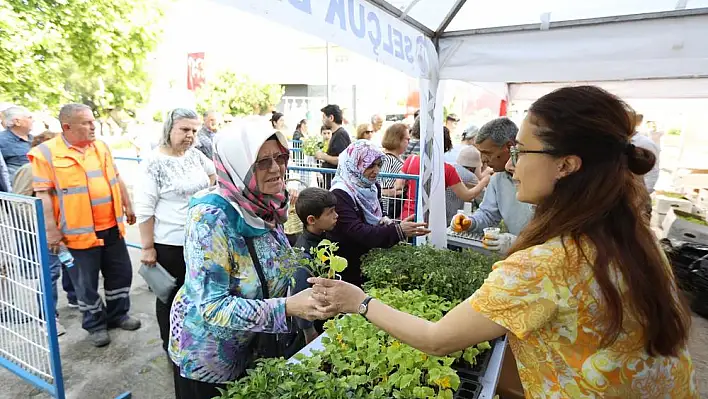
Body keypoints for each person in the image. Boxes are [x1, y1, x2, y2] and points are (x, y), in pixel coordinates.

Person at [310, 86, 697, 399]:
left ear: (566, 165)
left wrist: (357, 301)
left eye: (520, 151)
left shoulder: (547, 262)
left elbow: (437, 339)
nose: (509, 165)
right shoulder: (633, 236)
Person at [168, 118, 321, 399]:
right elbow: (212, 308)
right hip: (209, 356)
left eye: (280, 157)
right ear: (238, 165)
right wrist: (287, 307)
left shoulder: (266, 203)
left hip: (250, 344)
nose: (276, 168)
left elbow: (274, 263)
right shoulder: (211, 219)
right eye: (262, 162)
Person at [28, 103, 140, 347]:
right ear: (67, 126)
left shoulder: (100, 147)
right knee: (85, 284)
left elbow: (116, 177)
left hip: (111, 227)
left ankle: (119, 314)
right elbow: (43, 194)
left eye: (93, 121)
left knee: (120, 274)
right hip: (77, 235)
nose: (93, 126)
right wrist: (51, 230)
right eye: (86, 123)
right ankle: (95, 325)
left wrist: (128, 205)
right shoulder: (45, 154)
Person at [133, 108, 216, 353]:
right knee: (171, 297)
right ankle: (171, 345)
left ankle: (195, 343)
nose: (190, 135)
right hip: (171, 244)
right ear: (169, 129)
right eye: (184, 129)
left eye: (194, 130)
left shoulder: (195, 156)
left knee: (199, 293)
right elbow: (145, 209)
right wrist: (147, 247)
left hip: (201, 240)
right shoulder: (153, 163)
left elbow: (214, 176)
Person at [327, 140, 429, 287]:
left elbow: (379, 217)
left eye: (378, 165)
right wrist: (398, 230)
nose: (376, 171)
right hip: (347, 263)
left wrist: (390, 224)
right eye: (370, 166)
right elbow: (357, 231)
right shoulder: (340, 193)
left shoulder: (373, 187)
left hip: (366, 259)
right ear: (354, 165)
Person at [11, 131, 69, 336]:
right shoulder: (29, 169)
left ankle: (73, 299)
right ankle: (47, 319)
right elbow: (20, 202)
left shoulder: (62, 166)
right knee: (50, 273)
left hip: (68, 228)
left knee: (71, 266)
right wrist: (44, 227)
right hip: (48, 232)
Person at [456, 118, 534, 253]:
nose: (483, 160)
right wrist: (470, 222)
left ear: (510, 147)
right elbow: (488, 214)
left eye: (488, 153)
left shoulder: (538, 178)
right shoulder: (497, 180)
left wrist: (520, 241)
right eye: (480, 153)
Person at [398, 127, 489, 222]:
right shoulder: (448, 170)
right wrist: (484, 181)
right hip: (431, 221)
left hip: (407, 216)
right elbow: (467, 195)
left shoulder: (411, 160)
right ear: (446, 146)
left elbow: (398, 186)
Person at [293, 187, 338, 341]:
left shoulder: (324, 238)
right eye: (330, 212)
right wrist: (308, 330)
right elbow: (298, 294)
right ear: (311, 220)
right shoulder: (303, 255)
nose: (336, 216)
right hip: (315, 322)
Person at [446, 146, 486, 222]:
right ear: (475, 167)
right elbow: (483, 200)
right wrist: (485, 180)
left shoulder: (452, 168)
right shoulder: (471, 177)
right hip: (456, 219)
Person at [315, 104, 351, 189]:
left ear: (331, 118)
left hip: (336, 183)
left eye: (324, 117)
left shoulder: (340, 134)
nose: (322, 120)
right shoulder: (334, 134)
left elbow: (341, 159)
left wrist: (324, 156)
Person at [379, 123, 410, 219]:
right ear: (398, 139)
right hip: (389, 212)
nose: (409, 142)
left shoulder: (393, 158)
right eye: (407, 139)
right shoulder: (389, 160)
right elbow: (384, 190)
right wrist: (402, 192)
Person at [0, 106, 34, 181]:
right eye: (29, 117)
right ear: (17, 122)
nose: (33, 120)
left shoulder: (35, 139)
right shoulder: (2, 140)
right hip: (16, 189)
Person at [631, 114, 660, 194]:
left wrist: (642, 193)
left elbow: (652, 172)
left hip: (635, 193)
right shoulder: (618, 141)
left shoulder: (645, 144)